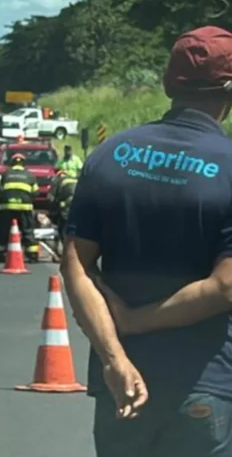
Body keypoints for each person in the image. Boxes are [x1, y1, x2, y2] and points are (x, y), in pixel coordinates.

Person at [60, 26, 232, 457]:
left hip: (119, 386)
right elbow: (225, 286)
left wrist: (115, 358)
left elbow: (76, 266)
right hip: (203, 384)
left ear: (168, 83)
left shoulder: (111, 154)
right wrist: (140, 319)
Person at [0, 153, 39, 261]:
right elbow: (36, 192)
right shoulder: (30, 175)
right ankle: (31, 254)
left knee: (3, 231)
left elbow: (0, 190)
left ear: (12, 163)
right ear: (23, 163)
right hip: (24, 207)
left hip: (6, 207)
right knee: (27, 230)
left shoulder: (6, 174)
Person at [47, 169, 76, 253]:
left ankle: (66, 249)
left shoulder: (57, 180)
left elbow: (51, 197)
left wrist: (51, 211)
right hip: (78, 206)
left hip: (65, 207)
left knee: (63, 227)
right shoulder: (74, 179)